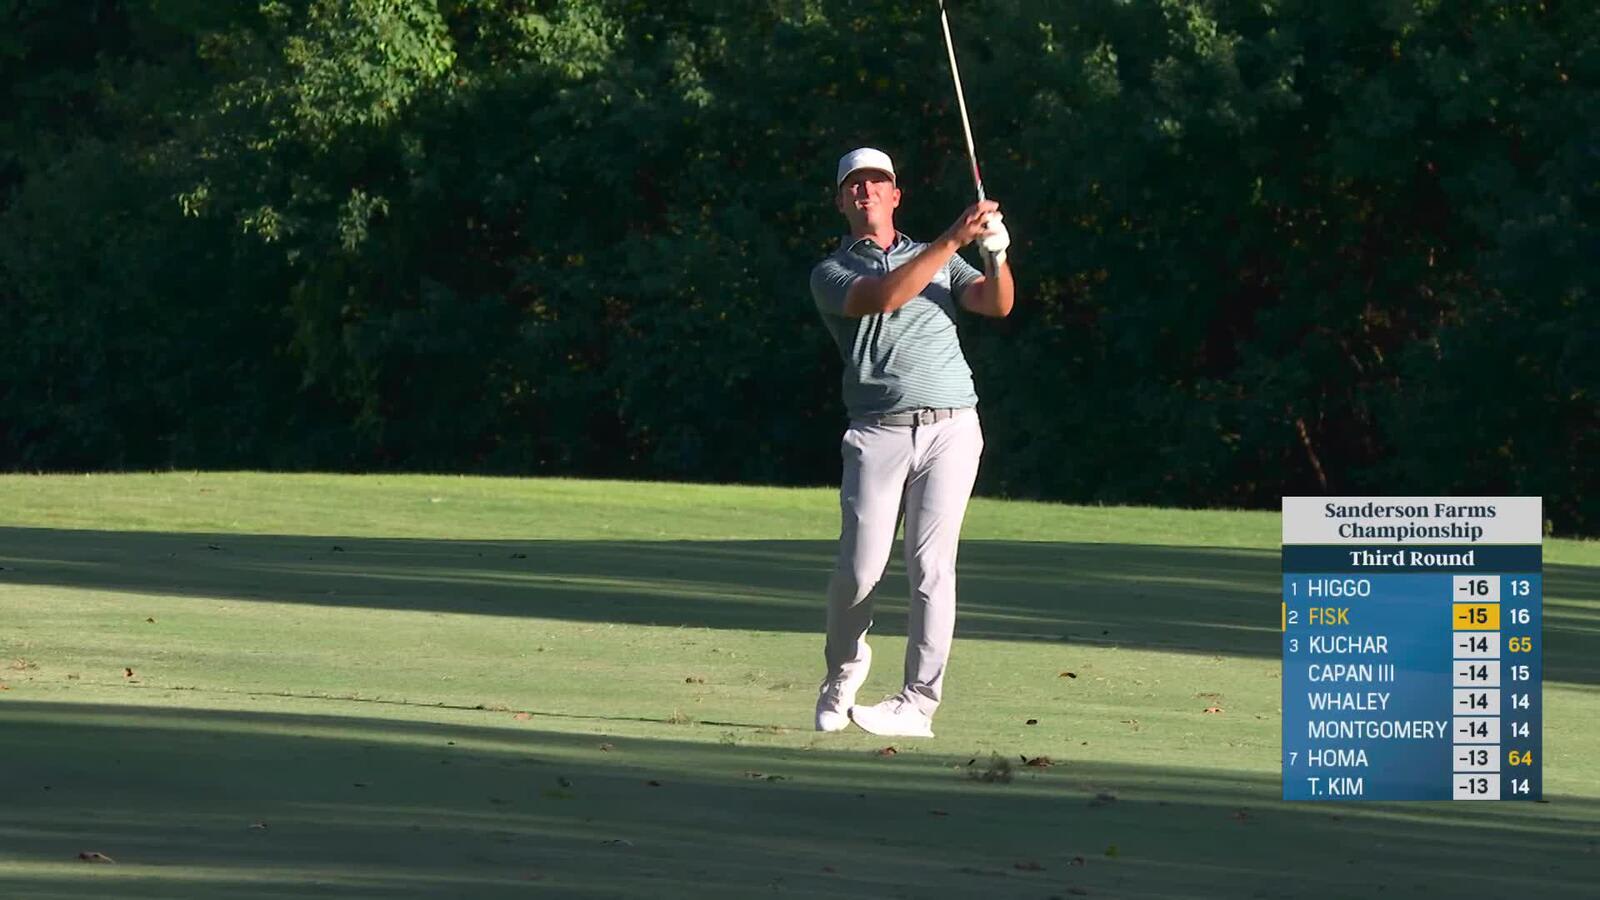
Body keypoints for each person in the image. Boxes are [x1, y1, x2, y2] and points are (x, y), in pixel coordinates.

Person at [808, 147, 1014, 737]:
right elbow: (882, 298)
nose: (866, 191)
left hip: (953, 426)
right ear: (841, 200)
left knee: (931, 569)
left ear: (896, 194)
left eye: (877, 182)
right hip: (878, 432)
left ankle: (918, 702)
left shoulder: (940, 259)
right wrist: (953, 238)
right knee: (859, 570)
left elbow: (996, 305)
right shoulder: (831, 270)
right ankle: (843, 671)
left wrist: (996, 257)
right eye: (854, 185)